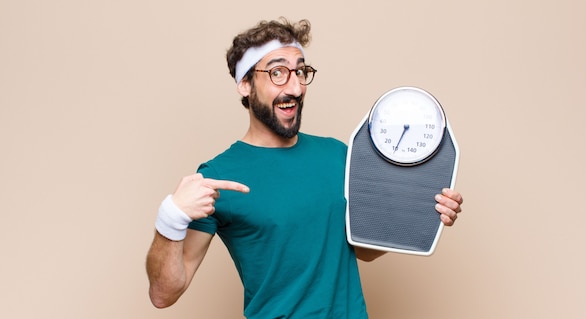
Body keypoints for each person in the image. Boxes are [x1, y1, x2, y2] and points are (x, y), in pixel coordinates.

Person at [146, 17, 463, 318]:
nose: (295, 88)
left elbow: (363, 249)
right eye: (278, 73)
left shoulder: (338, 154)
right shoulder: (217, 176)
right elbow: (164, 294)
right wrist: (171, 216)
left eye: (300, 72)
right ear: (244, 84)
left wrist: (422, 211)